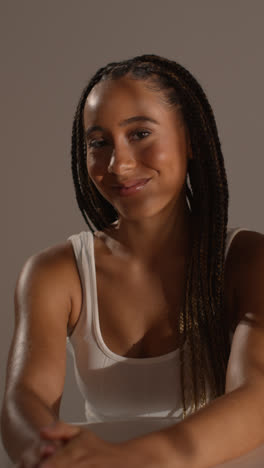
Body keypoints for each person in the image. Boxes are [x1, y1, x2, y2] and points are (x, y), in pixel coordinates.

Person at [1, 54, 264, 468]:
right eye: (98, 142)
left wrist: (125, 460)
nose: (118, 164)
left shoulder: (248, 261)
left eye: (140, 133)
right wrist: (49, 452)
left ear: (190, 137)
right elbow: (24, 399)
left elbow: (256, 398)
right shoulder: (55, 273)